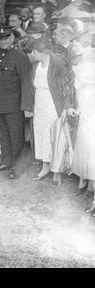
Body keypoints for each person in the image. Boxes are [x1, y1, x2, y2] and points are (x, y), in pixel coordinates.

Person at [0, 26, 33, 180]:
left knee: (16, 136)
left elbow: (26, 82)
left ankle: (17, 167)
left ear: (13, 38)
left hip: (14, 105)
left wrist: (27, 105)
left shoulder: (20, 55)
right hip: (0, 103)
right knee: (4, 134)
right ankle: (6, 161)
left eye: (6, 37)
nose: (3, 41)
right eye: (0, 38)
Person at [30, 37, 73, 185]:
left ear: (42, 52)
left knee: (56, 137)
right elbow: (32, 86)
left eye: (34, 51)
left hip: (53, 104)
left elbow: (66, 87)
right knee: (41, 135)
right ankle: (45, 166)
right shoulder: (35, 64)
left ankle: (57, 171)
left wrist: (66, 107)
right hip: (39, 104)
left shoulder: (57, 64)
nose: (32, 54)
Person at [68, 31, 95, 214]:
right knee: (86, 149)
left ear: (87, 45)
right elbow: (77, 89)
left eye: (77, 44)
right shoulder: (80, 62)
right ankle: (89, 185)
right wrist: (78, 107)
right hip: (85, 109)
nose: (74, 47)